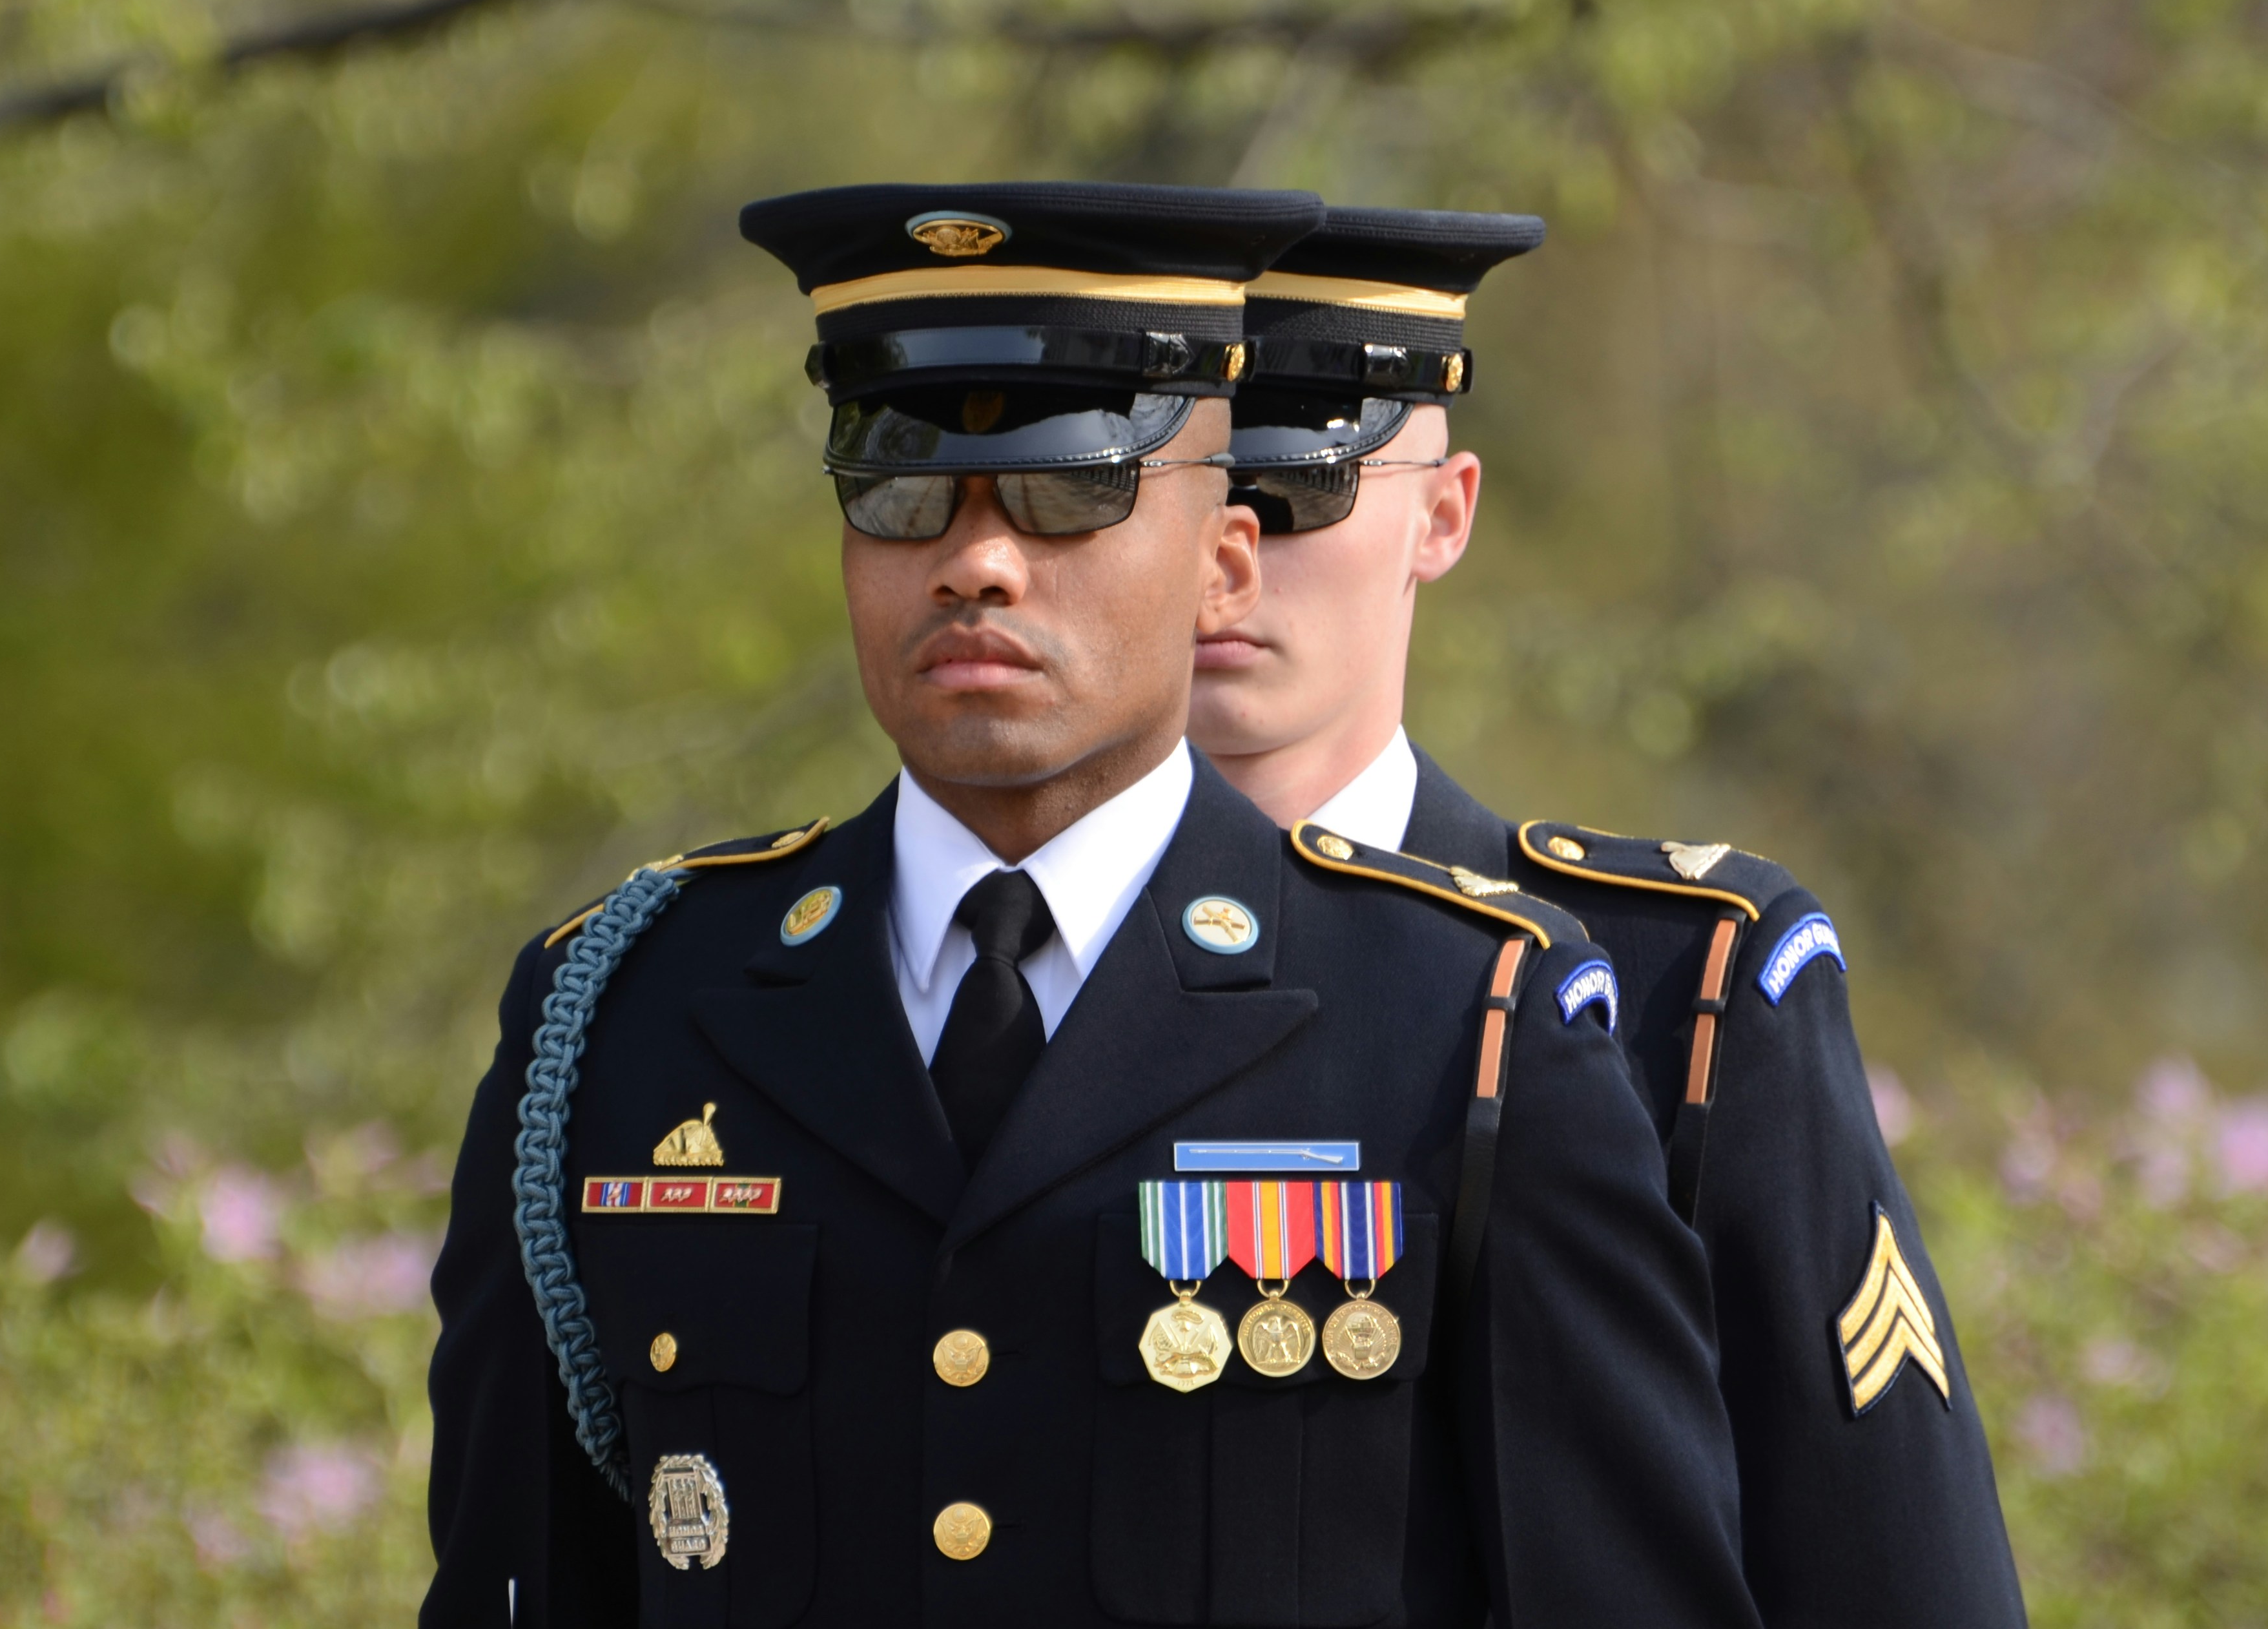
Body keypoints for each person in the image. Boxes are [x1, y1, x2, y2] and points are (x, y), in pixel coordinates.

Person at [423, 182, 1765, 1628]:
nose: (975, 560)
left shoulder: (1465, 1017)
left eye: (1072, 494)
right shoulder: (629, 1012)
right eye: (901, 492)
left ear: (1222, 566)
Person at [1191, 204, 2029, 1629]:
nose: (1230, 557)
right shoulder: (972, 984)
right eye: (1168, 501)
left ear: (1441, 516)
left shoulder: (1683, 989)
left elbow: (1890, 1571)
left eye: (1296, 494)